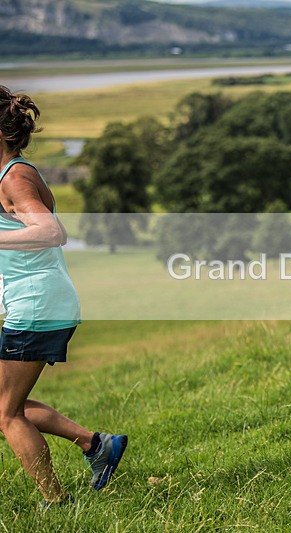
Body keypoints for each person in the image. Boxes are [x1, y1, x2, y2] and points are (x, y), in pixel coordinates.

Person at [0, 85, 127, 507]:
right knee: (5, 403)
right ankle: (96, 445)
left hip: (37, 305)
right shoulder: (13, 174)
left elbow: (52, 233)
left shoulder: (15, 177)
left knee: (7, 413)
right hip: (38, 301)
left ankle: (56, 502)